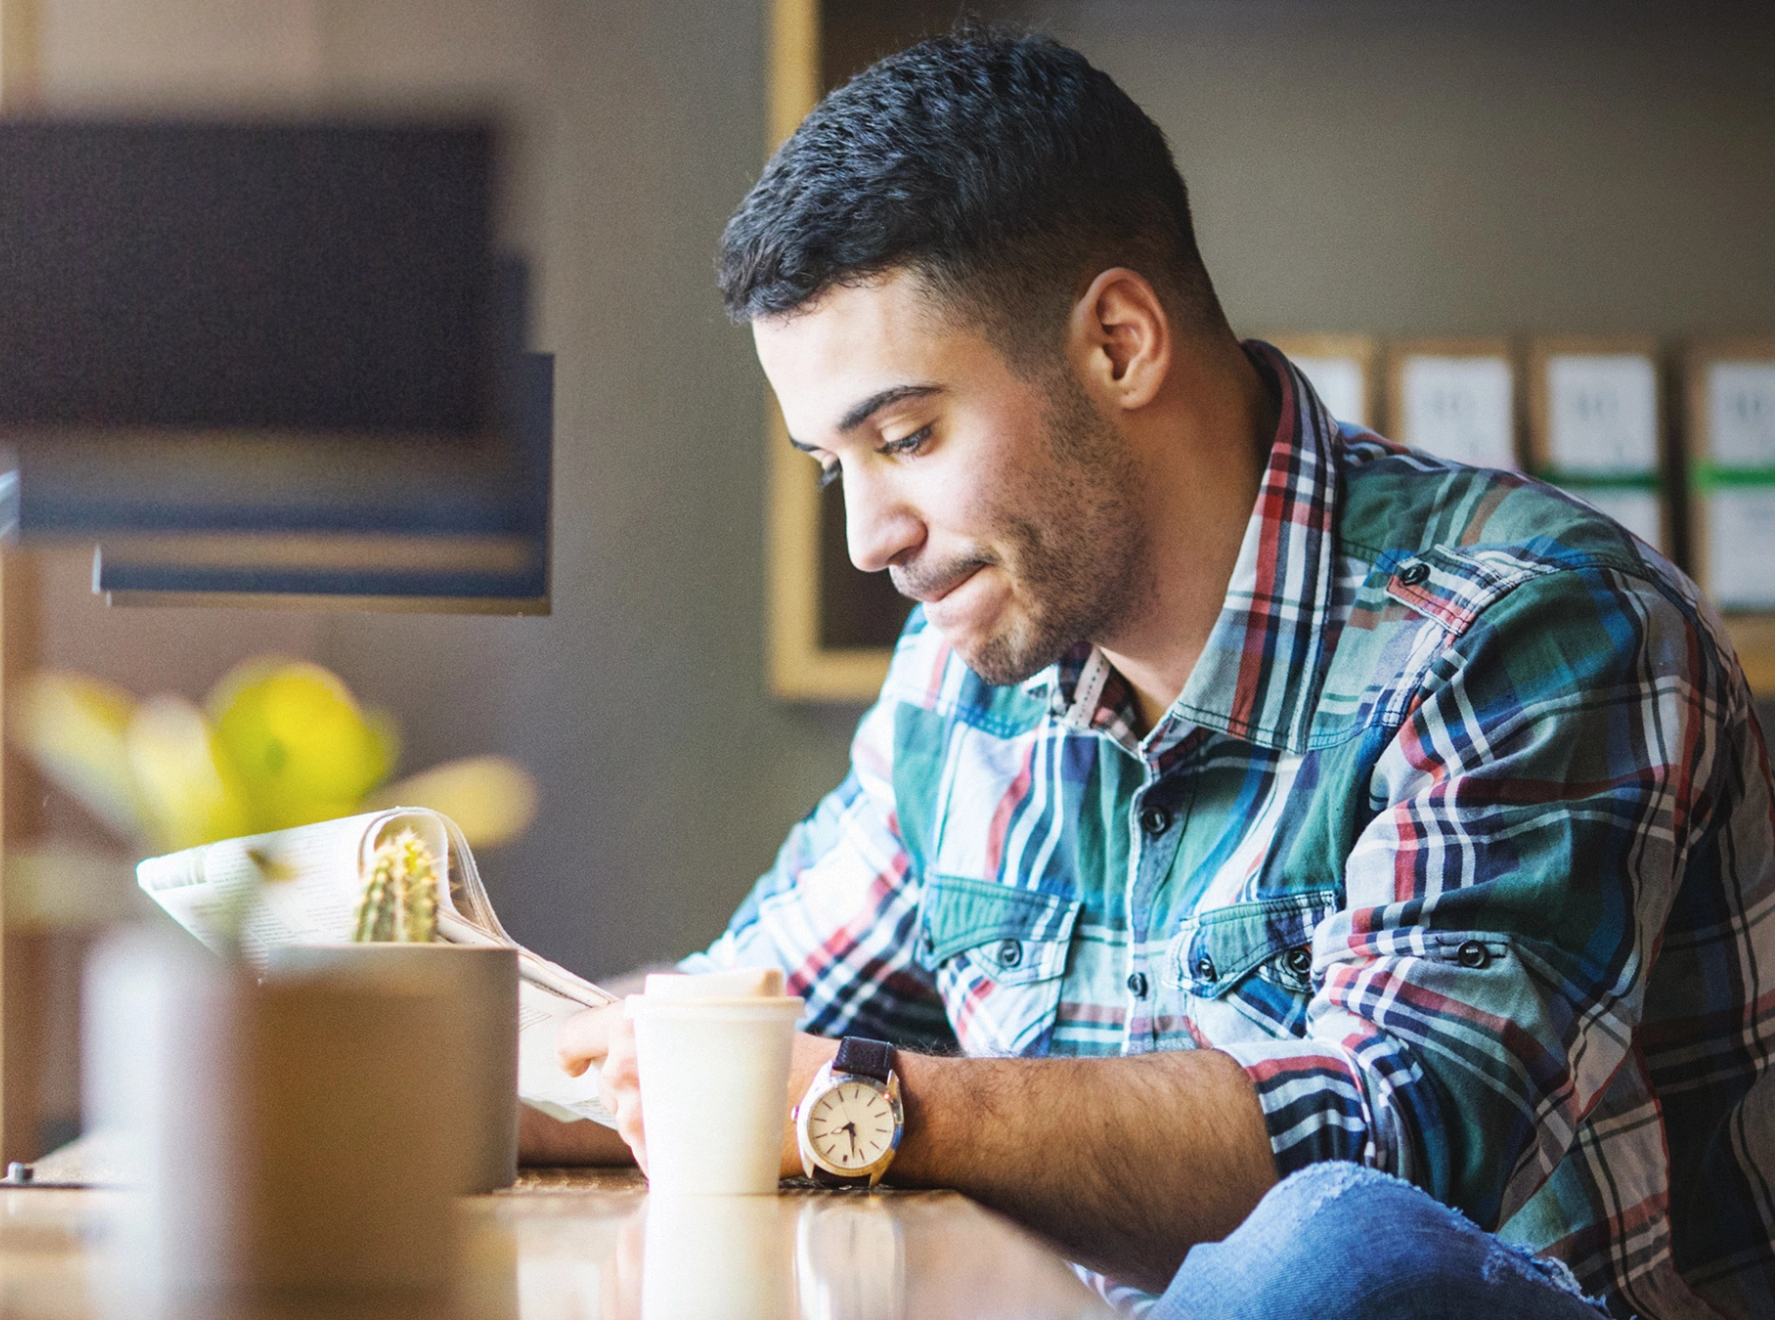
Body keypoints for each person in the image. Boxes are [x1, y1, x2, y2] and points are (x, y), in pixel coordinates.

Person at [526, 29, 1775, 1319]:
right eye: (836, 466)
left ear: (1119, 342)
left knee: (1335, 1253)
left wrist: (871, 1103)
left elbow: (1398, 1153)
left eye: (907, 436)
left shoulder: (1534, 634)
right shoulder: (963, 686)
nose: (868, 538)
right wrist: (405, 1060)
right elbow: (733, 1040)